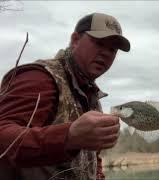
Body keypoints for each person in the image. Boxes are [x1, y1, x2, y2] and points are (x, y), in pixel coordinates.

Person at [0, 12, 130, 180]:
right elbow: (3, 136)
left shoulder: (91, 96)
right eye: (98, 43)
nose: (106, 53)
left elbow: (91, 158)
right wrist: (69, 137)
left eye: (112, 49)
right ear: (75, 40)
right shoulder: (40, 78)